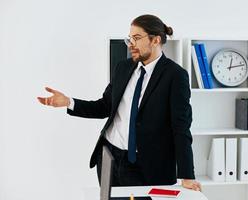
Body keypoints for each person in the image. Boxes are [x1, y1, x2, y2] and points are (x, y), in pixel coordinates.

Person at [37, 14, 201, 191]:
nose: (131, 44)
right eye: (130, 38)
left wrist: (187, 175)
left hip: (145, 166)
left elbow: (181, 128)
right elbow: (104, 106)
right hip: (109, 157)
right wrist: (69, 102)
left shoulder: (175, 76)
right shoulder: (123, 67)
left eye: (137, 38)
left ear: (155, 40)